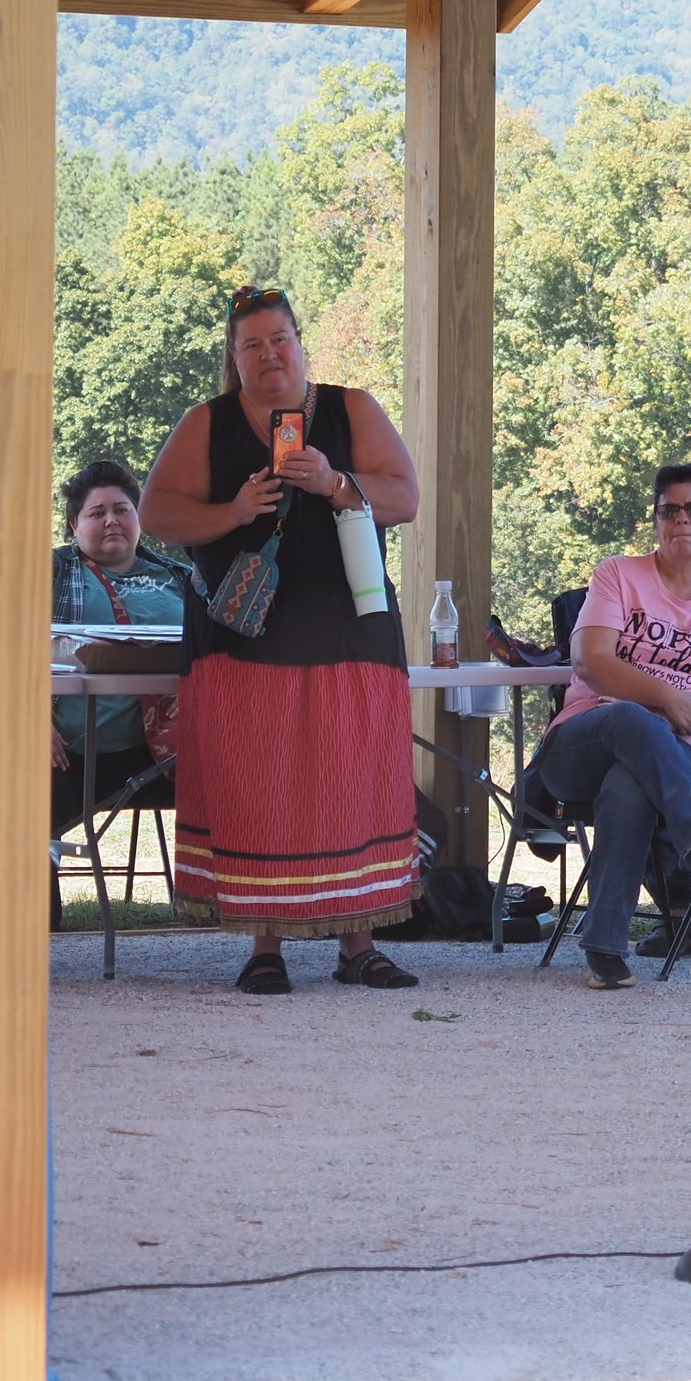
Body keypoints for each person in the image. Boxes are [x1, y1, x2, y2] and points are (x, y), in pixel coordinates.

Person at [140, 286, 425, 994]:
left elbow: (406, 498)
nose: (270, 354)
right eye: (252, 344)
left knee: (349, 783)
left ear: (301, 341)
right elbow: (156, 514)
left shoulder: (351, 408)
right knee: (261, 786)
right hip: (245, 641)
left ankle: (359, 942)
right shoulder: (206, 424)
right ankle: (265, 946)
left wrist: (336, 481)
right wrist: (234, 509)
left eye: (280, 339)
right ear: (233, 359)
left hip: (349, 634)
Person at [532, 464, 691, 990]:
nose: (681, 519)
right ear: (656, 521)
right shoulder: (618, 574)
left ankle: (604, 948)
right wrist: (665, 699)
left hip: (682, 749)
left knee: (629, 783)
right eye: (669, 510)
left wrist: (678, 714)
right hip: (584, 739)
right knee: (625, 716)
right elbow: (591, 661)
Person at [49, 458, 190, 840]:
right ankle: (30, 903)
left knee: (241, 791)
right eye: (97, 512)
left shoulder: (180, 577)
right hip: (71, 754)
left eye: (122, 510)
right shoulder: (50, 572)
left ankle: (220, 899)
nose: (111, 520)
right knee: (20, 821)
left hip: (173, 754)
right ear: (73, 526)